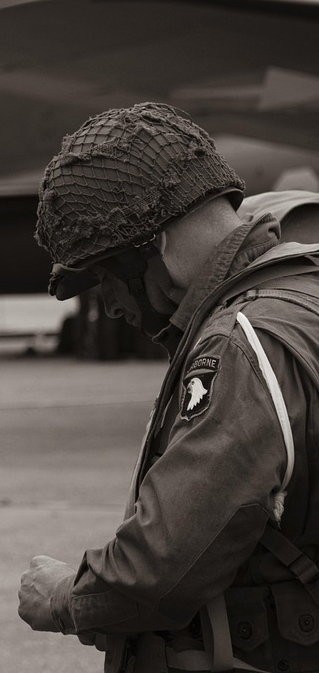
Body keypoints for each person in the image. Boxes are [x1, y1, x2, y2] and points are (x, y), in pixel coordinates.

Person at [19, 101, 319, 673]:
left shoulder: (242, 342)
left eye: (106, 276)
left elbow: (161, 566)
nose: (107, 304)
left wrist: (64, 595)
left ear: (152, 246)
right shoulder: (304, 296)